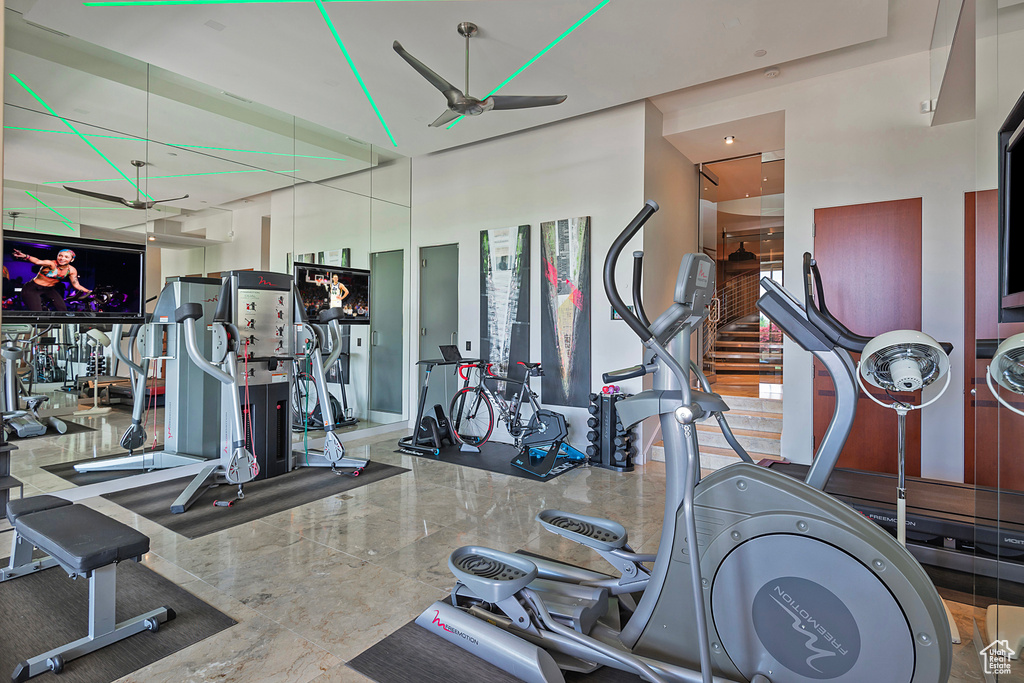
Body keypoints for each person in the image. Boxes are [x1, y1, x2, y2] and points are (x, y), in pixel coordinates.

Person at [11, 247, 91, 311]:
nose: (62, 258)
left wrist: (89, 292)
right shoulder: (51, 264)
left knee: (62, 310)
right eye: (60, 255)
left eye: (66, 257)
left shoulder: (71, 270)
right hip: (33, 288)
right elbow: (37, 261)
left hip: (49, 289)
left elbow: (76, 285)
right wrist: (25, 256)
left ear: (72, 259)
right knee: (38, 313)